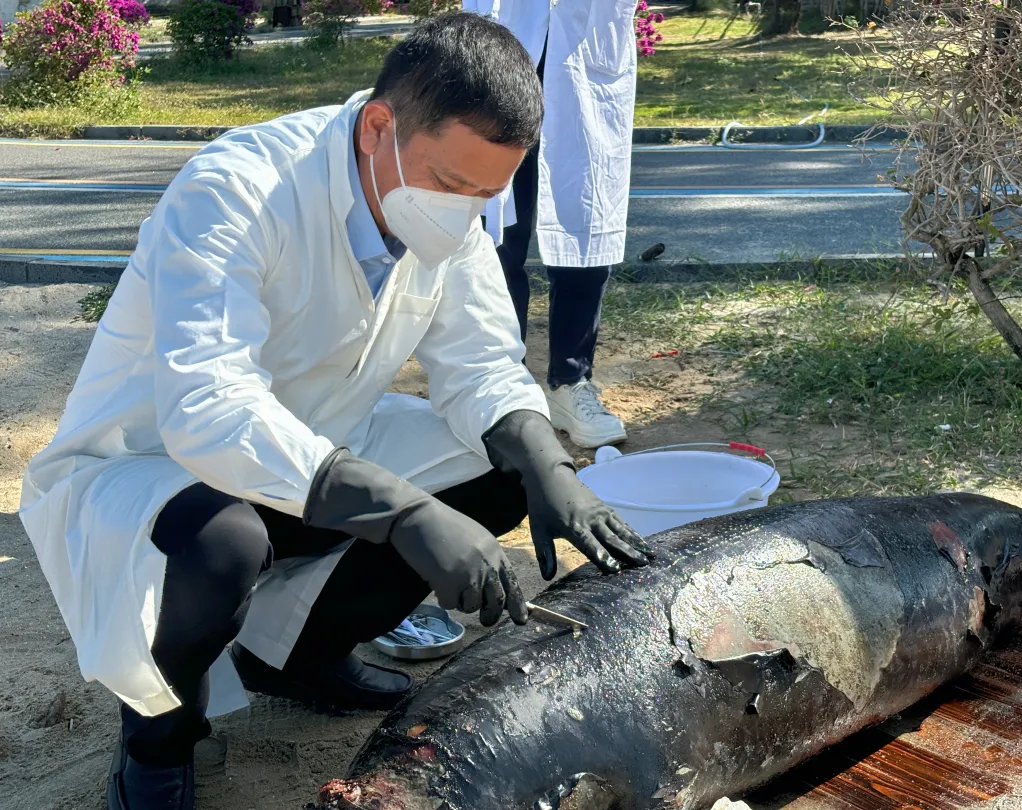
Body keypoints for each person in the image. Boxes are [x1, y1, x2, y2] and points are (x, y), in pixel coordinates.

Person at [18, 14, 653, 810]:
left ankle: (299, 655)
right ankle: (157, 739)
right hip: (152, 465)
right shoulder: (237, 188)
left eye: (486, 194)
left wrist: (549, 466)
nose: (463, 214)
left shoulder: (439, 200)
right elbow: (209, 408)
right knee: (222, 543)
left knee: (501, 469)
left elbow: (482, 361)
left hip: (324, 437)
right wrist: (405, 512)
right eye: (452, 186)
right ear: (377, 128)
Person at [463, 0, 640, 449]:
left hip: (587, 44)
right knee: (497, 232)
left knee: (586, 219)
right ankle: (501, 385)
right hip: (506, 40)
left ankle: (571, 381)